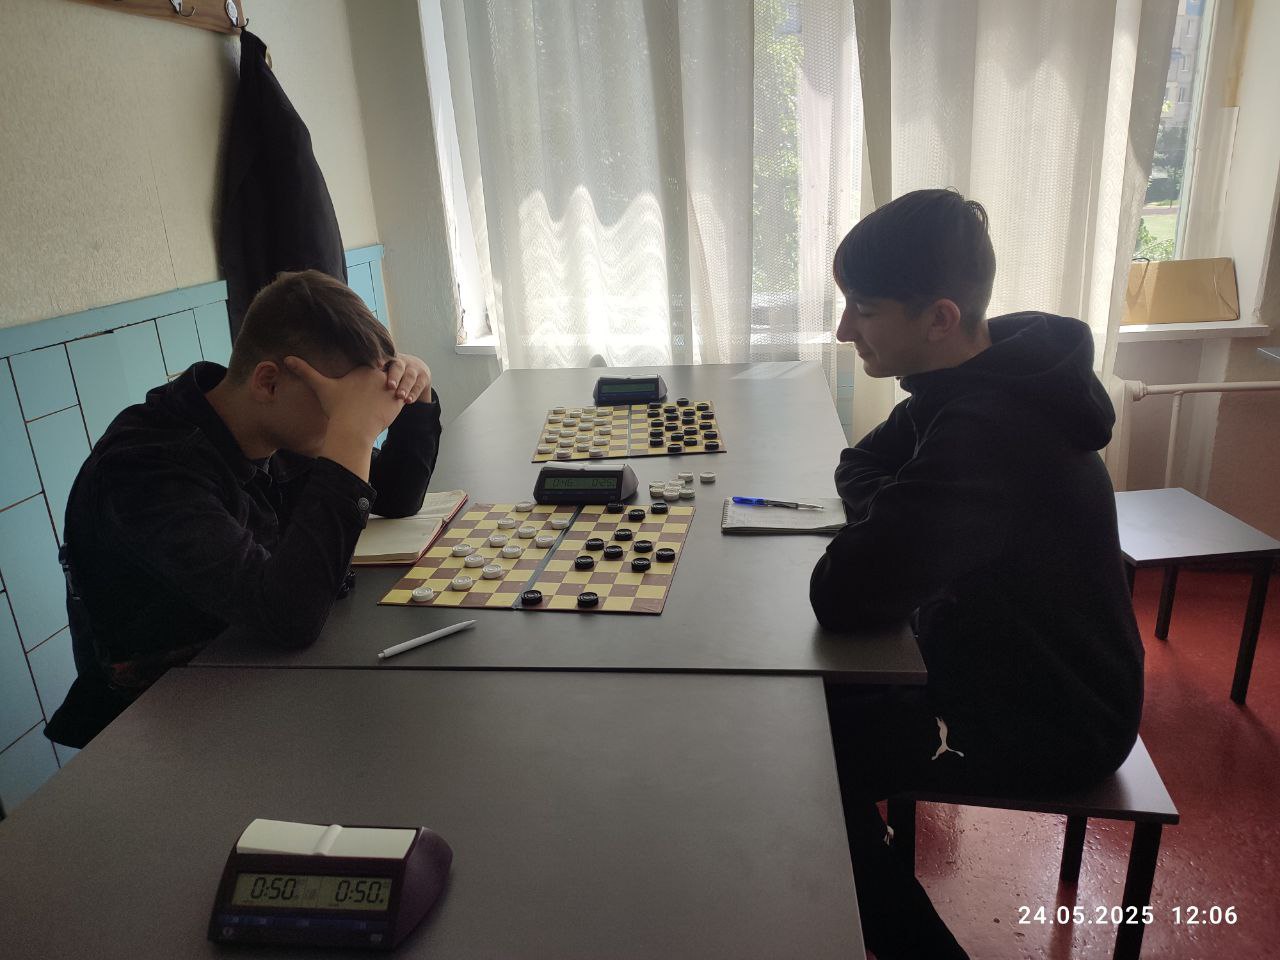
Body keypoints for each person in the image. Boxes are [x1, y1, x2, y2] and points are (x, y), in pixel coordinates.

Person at [810, 189, 1144, 959]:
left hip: (1055, 721)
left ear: (939, 317)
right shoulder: (981, 372)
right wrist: (902, 516)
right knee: (812, 721)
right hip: (1006, 666)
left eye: (864, 309)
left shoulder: (991, 426)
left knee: (804, 774)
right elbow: (861, 463)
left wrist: (898, 527)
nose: (844, 330)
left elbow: (842, 592)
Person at [45, 270, 443, 749]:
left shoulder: (273, 424)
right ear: (268, 382)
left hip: (259, 678)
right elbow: (289, 616)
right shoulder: (144, 472)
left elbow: (397, 496)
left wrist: (416, 394)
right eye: (338, 404)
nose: (350, 419)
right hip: (159, 726)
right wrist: (351, 435)